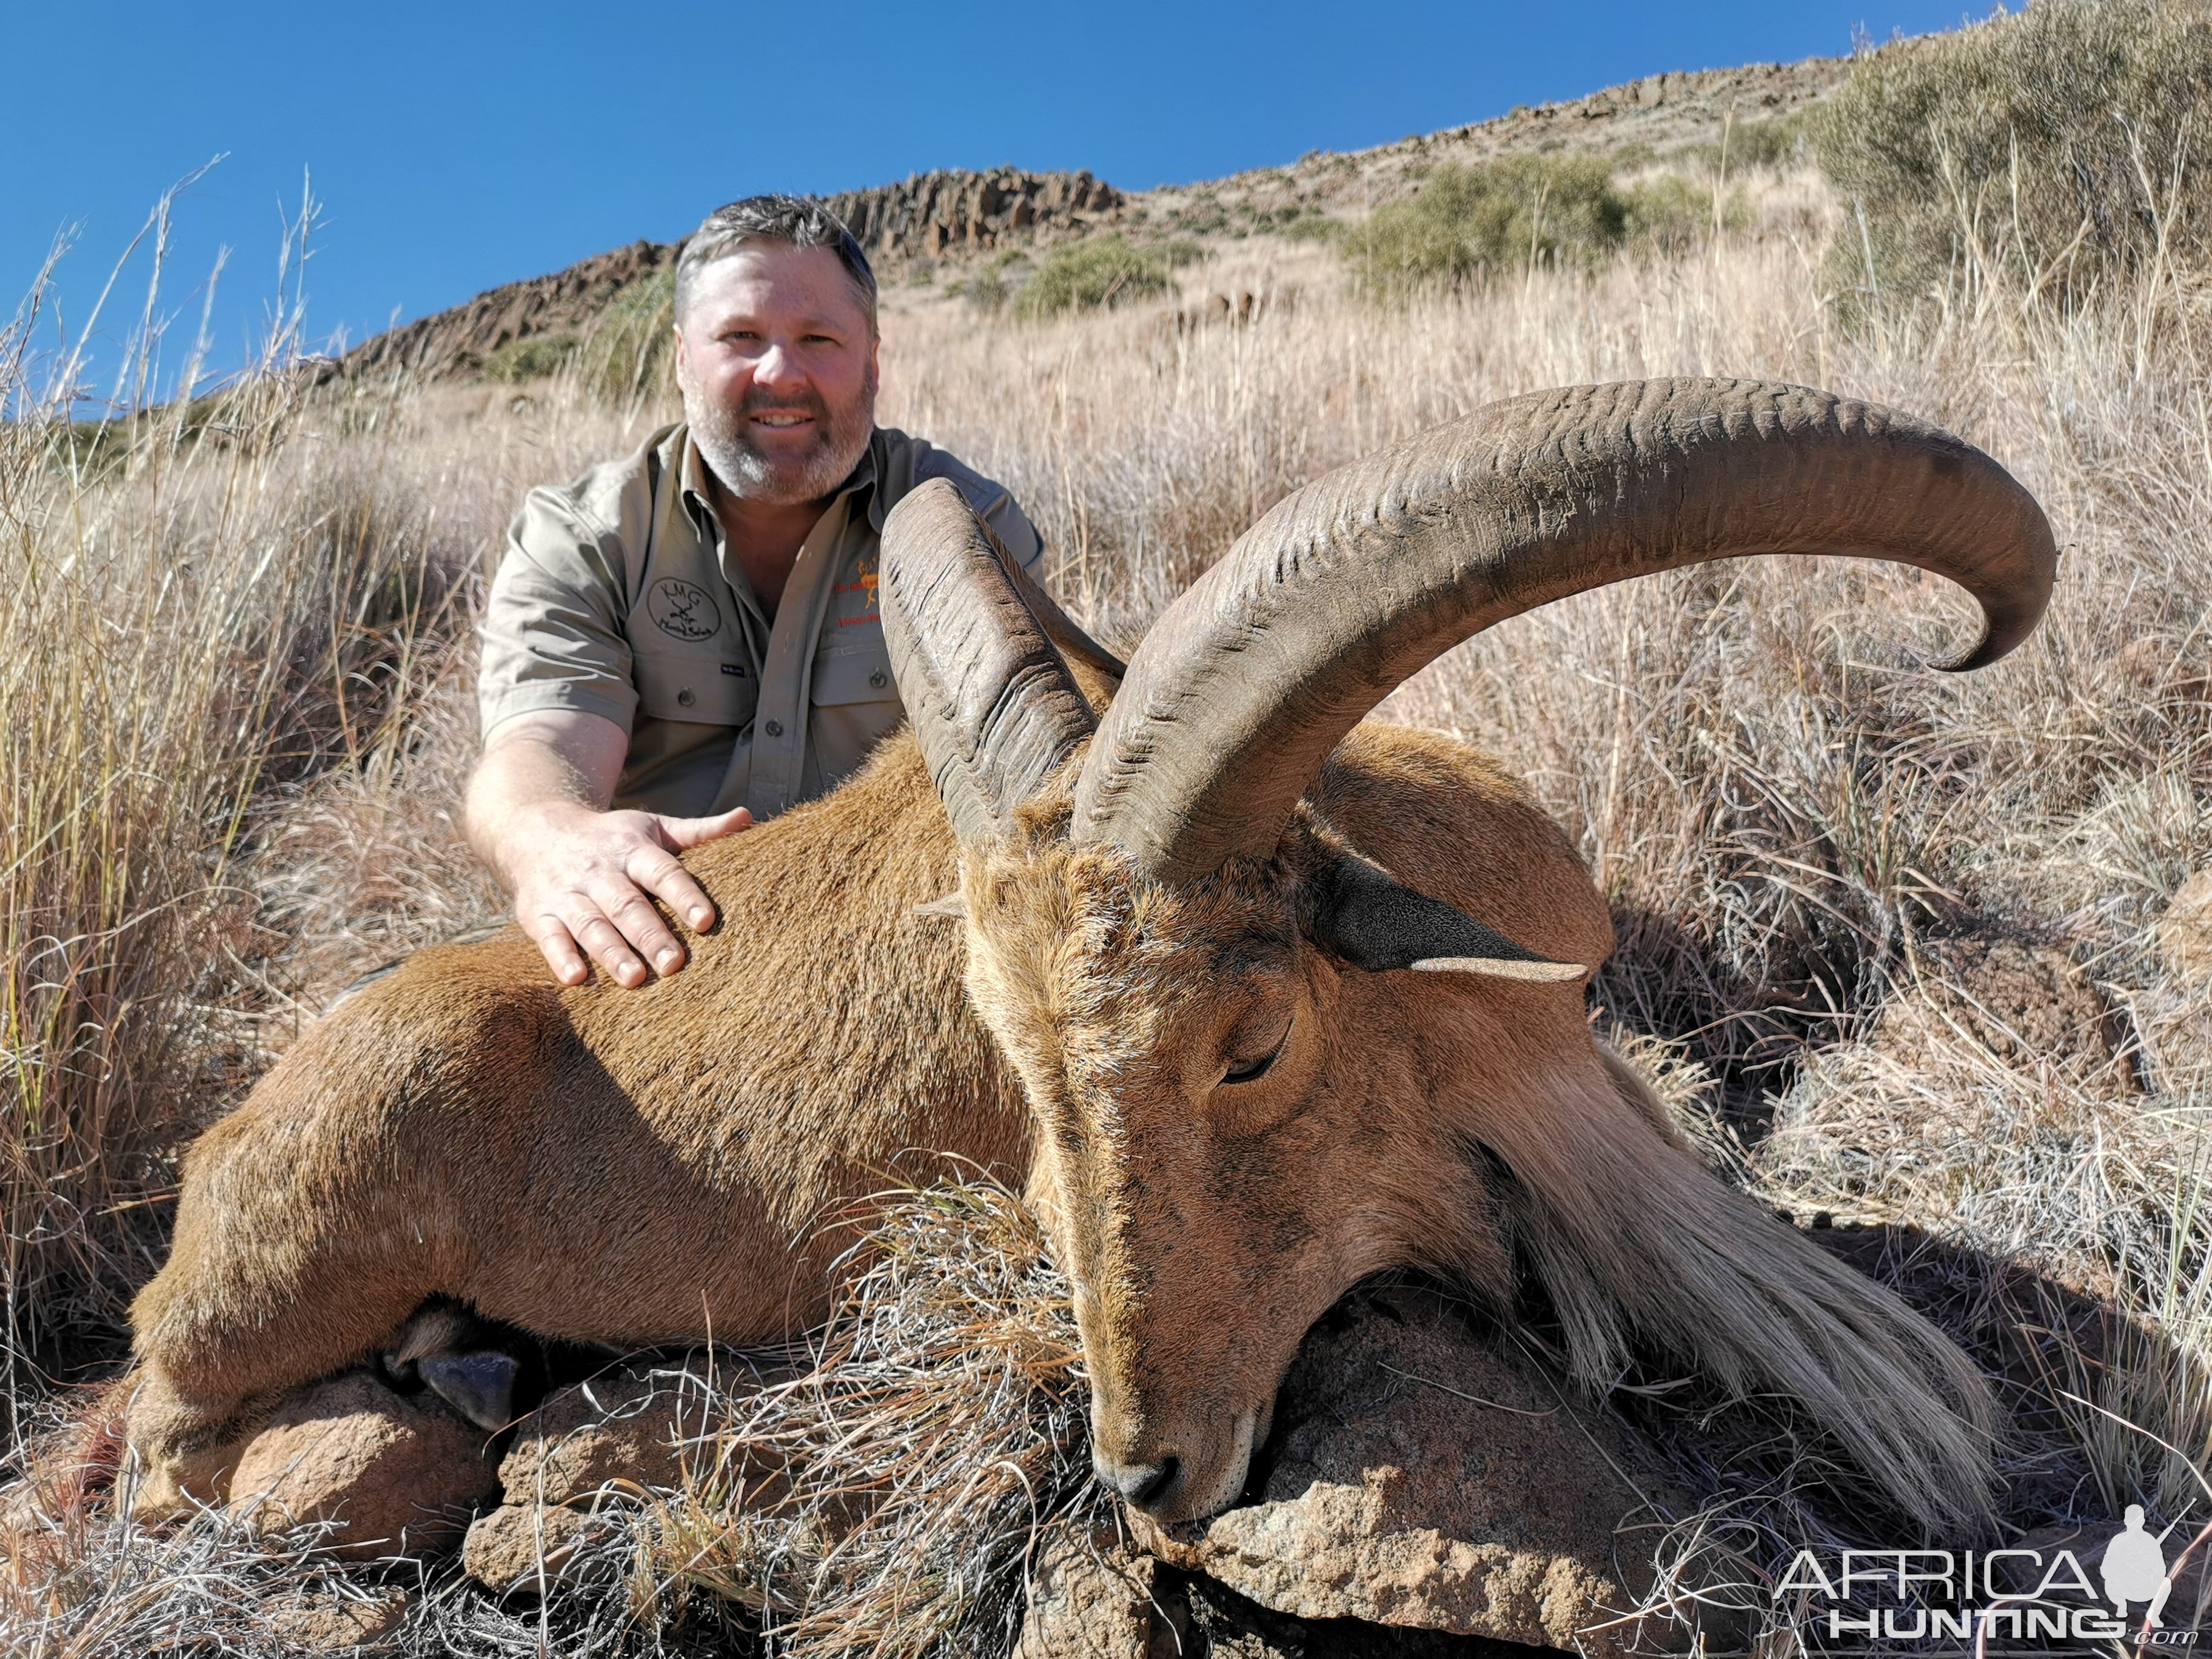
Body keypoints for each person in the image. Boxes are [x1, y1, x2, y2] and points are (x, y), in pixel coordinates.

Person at [465, 196, 1045, 989]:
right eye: (740, 337)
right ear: (679, 358)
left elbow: (1031, 784)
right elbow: (541, 746)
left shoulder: (967, 524)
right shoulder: (585, 534)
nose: (780, 372)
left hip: (899, 961)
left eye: (819, 339)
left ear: (873, 363)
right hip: (659, 953)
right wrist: (550, 834)